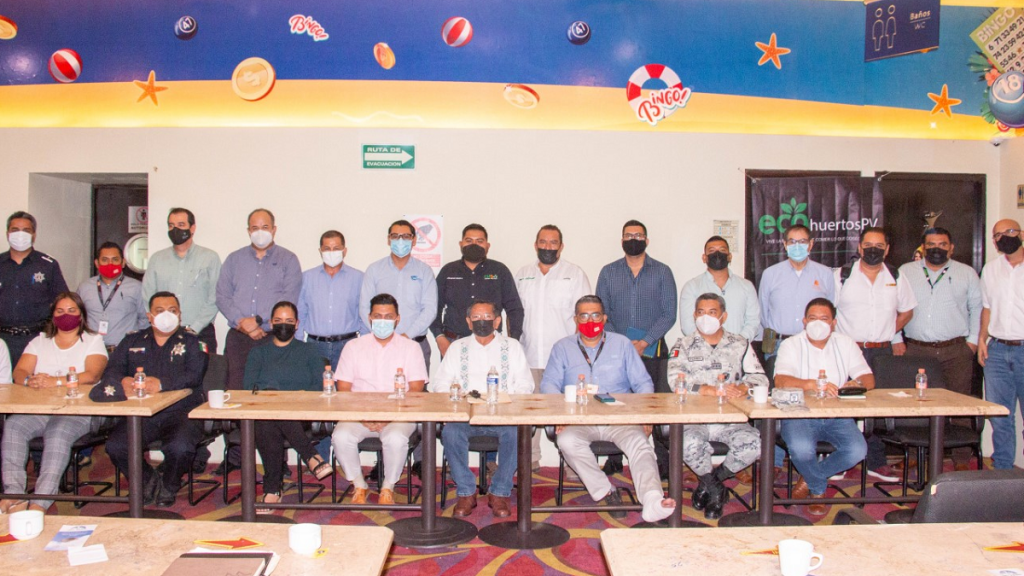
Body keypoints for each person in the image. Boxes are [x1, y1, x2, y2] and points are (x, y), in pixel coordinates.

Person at [540, 295, 676, 523]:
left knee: (641, 445)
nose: (590, 320)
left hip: (619, 419)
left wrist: (645, 416)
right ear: (575, 319)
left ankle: (653, 499)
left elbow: (643, 383)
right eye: (584, 316)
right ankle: (606, 491)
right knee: (566, 441)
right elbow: (549, 385)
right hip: (579, 419)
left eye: (595, 315)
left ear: (604, 318)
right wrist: (559, 416)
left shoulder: (622, 344)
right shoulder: (562, 347)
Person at [91, 291, 208, 507]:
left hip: (181, 412)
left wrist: (161, 384)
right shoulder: (132, 340)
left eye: (172, 310)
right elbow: (112, 370)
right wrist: (123, 380)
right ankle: (148, 481)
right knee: (116, 446)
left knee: (180, 447)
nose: (167, 315)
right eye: (160, 311)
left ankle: (169, 486)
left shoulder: (192, 341)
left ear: (180, 315)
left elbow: (195, 375)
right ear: (149, 316)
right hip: (141, 413)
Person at [1, 292, 107, 513]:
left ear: (81, 315)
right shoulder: (40, 341)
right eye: (60, 311)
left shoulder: (93, 341)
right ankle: (14, 495)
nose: (65, 315)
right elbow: (19, 372)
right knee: (13, 426)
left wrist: (55, 381)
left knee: (57, 432)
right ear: (52, 316)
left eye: (71, 310)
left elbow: (92, 375)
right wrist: (30, 380)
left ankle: (41, 502)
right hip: (41, 409)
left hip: (78, 411)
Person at [431, 301, 533, 518]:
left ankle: (499, 492)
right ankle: (466, 492)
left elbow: (526, 384)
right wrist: (457, 396)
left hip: (503, 415)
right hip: (466, 415)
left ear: (497, 321)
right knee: (450, 433)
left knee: (517, 434)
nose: (481, 322)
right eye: (476, 318)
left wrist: (509, 402)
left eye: (487, 317)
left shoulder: (512, 346)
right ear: (468, 322)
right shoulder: (457, 347)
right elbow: (439, 383)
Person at [666, 293, 764, 520]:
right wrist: (707, 389)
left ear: (723, 316)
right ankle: (717, 490)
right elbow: (674, 381)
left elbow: (760, 378)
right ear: (694, 315)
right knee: (687, 443)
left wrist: (744, 387)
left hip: (730, 418)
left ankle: (709, 484)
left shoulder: (740, 344)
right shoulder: (682, 345)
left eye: (712, 312)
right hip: (694, 417)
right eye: (701, 312)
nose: (705, 317)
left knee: (753, 444)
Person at [775, 298, 875, 516]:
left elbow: (868, 378)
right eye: (812, 318)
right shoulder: (791, 344)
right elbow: (781, 380)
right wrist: (810, 384)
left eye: (824, 319)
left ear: (833, 323)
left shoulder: (846, 343)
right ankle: (818, 489)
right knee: (801, 449)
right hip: (799, 414)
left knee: (857, 450)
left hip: (836, 414)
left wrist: (856, 384)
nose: (817, 323)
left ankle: (810, 477)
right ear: (804, 321)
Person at [833, 226, 916, 481]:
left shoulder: (896, 276)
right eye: (868, 245)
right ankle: (843, 459)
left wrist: (891, 331)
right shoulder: (841, 276)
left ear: (887, 250)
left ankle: (876, 462)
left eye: (879, 246)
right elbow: (827, 314)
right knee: (845, 407)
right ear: (859, 247)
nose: (873, 250)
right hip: (849, 351)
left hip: (882, 353)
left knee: (878, 407)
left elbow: (908, 311)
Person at [596, 219, 676, 477]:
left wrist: (644, 342)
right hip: (616, 351)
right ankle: (614, 458)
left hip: (653, 350)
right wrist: (623, 344)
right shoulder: (608, 272)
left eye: (638, 235)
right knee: (617, 401)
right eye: (629, 235)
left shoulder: (662, 272)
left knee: (655, 404)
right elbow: (601, 312)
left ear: (647, 240)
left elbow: (669, 313)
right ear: (622, 240)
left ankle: (663, 460)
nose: (633, 239)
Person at [332, 293, 427, 505]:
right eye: (378, 316)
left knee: (395, 438)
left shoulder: (411, 348)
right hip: (359, 414)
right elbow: (344, 389)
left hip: (399, 414)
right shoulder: (353, 347)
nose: (382, 321)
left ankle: (388, 487)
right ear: (369, 318)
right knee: (341, 436)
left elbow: (416, 389)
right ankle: (359, 485)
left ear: (397, 319)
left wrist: (388, 417)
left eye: (388, 316)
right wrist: (363, 417)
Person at [899, 227, 981, 470]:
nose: (937, 248)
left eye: (943, 244)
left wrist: (973, 342)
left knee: (960, 404)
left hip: (956, 350)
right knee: (916, 405)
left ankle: (961, 458)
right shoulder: (906, 271)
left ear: (951, 248)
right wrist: (896, 339)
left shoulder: (967, 273)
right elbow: (894, 306)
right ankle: (914, 454)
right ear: (923, 247)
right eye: (931, 244)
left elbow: (977, 308)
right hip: (917, 350)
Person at [241, 301, 333, 511]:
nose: (284, 325)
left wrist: (291, 398)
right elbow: (249, 387)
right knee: (268, 421)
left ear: (297, 324)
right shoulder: (258, 353)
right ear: (271, 323)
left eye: (289, 321)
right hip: (265, 412)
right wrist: (273, 397)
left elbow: (318, 386)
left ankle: (272, 490)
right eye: (279, 320)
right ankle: (310, 456)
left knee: (272, 418)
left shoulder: (309, 350)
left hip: (301, 414)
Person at [515, 224, 591, 471]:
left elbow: (584, 314)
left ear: (561, 246)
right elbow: (514, 313)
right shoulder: (523, 274)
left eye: (553, 242)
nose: (547, 247)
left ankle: (573, 465)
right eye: (543, 242)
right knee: (530, 412)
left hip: (564, 358)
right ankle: (530, 460)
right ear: (535, 244)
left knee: (569, 412)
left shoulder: (574, 274)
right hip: (529, 355)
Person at [216, 208, 302, 390]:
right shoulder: (234, 259)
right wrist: (241, 323)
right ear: (248, 231)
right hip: (238, 338)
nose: (260, 232)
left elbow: (289, 298)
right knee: (236, 389)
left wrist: (258, 322)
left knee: (271, 390)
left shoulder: (288, 259)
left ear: (274, 229)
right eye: (255, 228)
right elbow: (222, 296)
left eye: (265, 227)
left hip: (272, 338)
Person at [431, 224, 524, 358]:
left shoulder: (499, 270)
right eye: (469, 240)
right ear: (461, 244)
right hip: (453, 343)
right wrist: (439, 337)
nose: (474, 245)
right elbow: (434, 307)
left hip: (492, 343)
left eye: (479, 241)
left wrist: (513, 341)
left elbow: (514, 309)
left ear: (487, 245)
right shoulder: (448, 271)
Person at [757, 224, 836, 380]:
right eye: (792, 242)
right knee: (778, 388)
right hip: (777, 345)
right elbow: (763, 313)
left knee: (811, 387)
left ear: (811, 244)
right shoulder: (770, 274)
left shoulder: (825, 273)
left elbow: (830, 309)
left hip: (812, 343)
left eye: (802, 241)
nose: (797, 246)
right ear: (785, 244)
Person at [360, 220, 438, 369]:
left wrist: (406, 337)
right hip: (380, 344)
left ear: (414, 240)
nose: (400, 240)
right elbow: (364, 308)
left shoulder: (424, 271)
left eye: (406, 236)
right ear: (388, 240)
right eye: (395, 236)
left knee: (416, 385)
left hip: (415, 343)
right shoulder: (374, 270)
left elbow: (430, 309)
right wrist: (383, 336)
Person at [978, 219, 1024, 470]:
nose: (1004, 237)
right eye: (998, 235)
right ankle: (1003, 470)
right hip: (996, 351)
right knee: (999, 416)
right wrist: (982, 340)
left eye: (1010, 231)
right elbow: (987, 307)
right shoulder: (990, 269)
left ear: (1021, 234)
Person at [143, 207, 222, 352]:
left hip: (201, 332)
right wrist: (160, 324)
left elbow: (216, 296)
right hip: (164, 332)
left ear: (192, 228)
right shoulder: (157, 259)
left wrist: (195, 327)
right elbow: (148, 295)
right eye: (171, 225)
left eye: (181, 225)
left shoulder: (209, 258)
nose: (175, 230)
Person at [0, 211, 69, 365]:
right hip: (2, 339)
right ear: (7, 234)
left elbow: (63, 302)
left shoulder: (48, 265)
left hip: (38, 338)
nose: (20, 234)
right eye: (15, 230)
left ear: (34, 235)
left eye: (26, 230)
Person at [298, 230, 364, 369]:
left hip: (348, 345)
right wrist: (298, 344)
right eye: (327, 248)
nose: (332, 252)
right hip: (314, 345)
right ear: (320, 251)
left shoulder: (359, 278)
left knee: (346, 383)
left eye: (336, 248)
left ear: (344, 251)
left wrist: (364, 345)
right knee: (315, 383)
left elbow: (363, 315)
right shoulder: (307, 278)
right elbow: (301, 313)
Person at [678, 236, 760, 341]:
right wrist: (709, 345)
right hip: (703, 349)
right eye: (712, 251)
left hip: (739, 348)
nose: (717, 254)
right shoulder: (691, 287)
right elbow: (687, 325)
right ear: (704, 258)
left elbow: (753, 321)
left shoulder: (746, 286)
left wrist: (737, 344)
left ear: (729, 256)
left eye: (722, 250)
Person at [77, 241, 148, 351]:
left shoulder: (137, 287)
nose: (110, 264)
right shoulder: (84, 288)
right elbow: (78, 319)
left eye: (115, 259)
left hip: (124, 350)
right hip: (91, 350)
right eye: (105, 260)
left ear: (123, 263)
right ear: (97, 263)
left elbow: (145, 319)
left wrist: (134, 342)